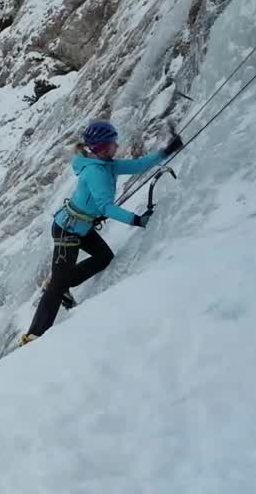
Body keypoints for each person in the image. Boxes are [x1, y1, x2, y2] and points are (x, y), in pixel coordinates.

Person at [20, 121, 183, 345]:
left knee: (103, 257)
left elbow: (137, 165)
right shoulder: (96, 173)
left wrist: (166, 152)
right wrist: (136, 220)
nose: (117, 146)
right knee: (57, 286)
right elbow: (106, 206)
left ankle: (61, 281)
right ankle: (33, 336)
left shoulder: (106, 165)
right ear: (103, 147)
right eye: (113, 143)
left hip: (80, 227)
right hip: (68, 230)